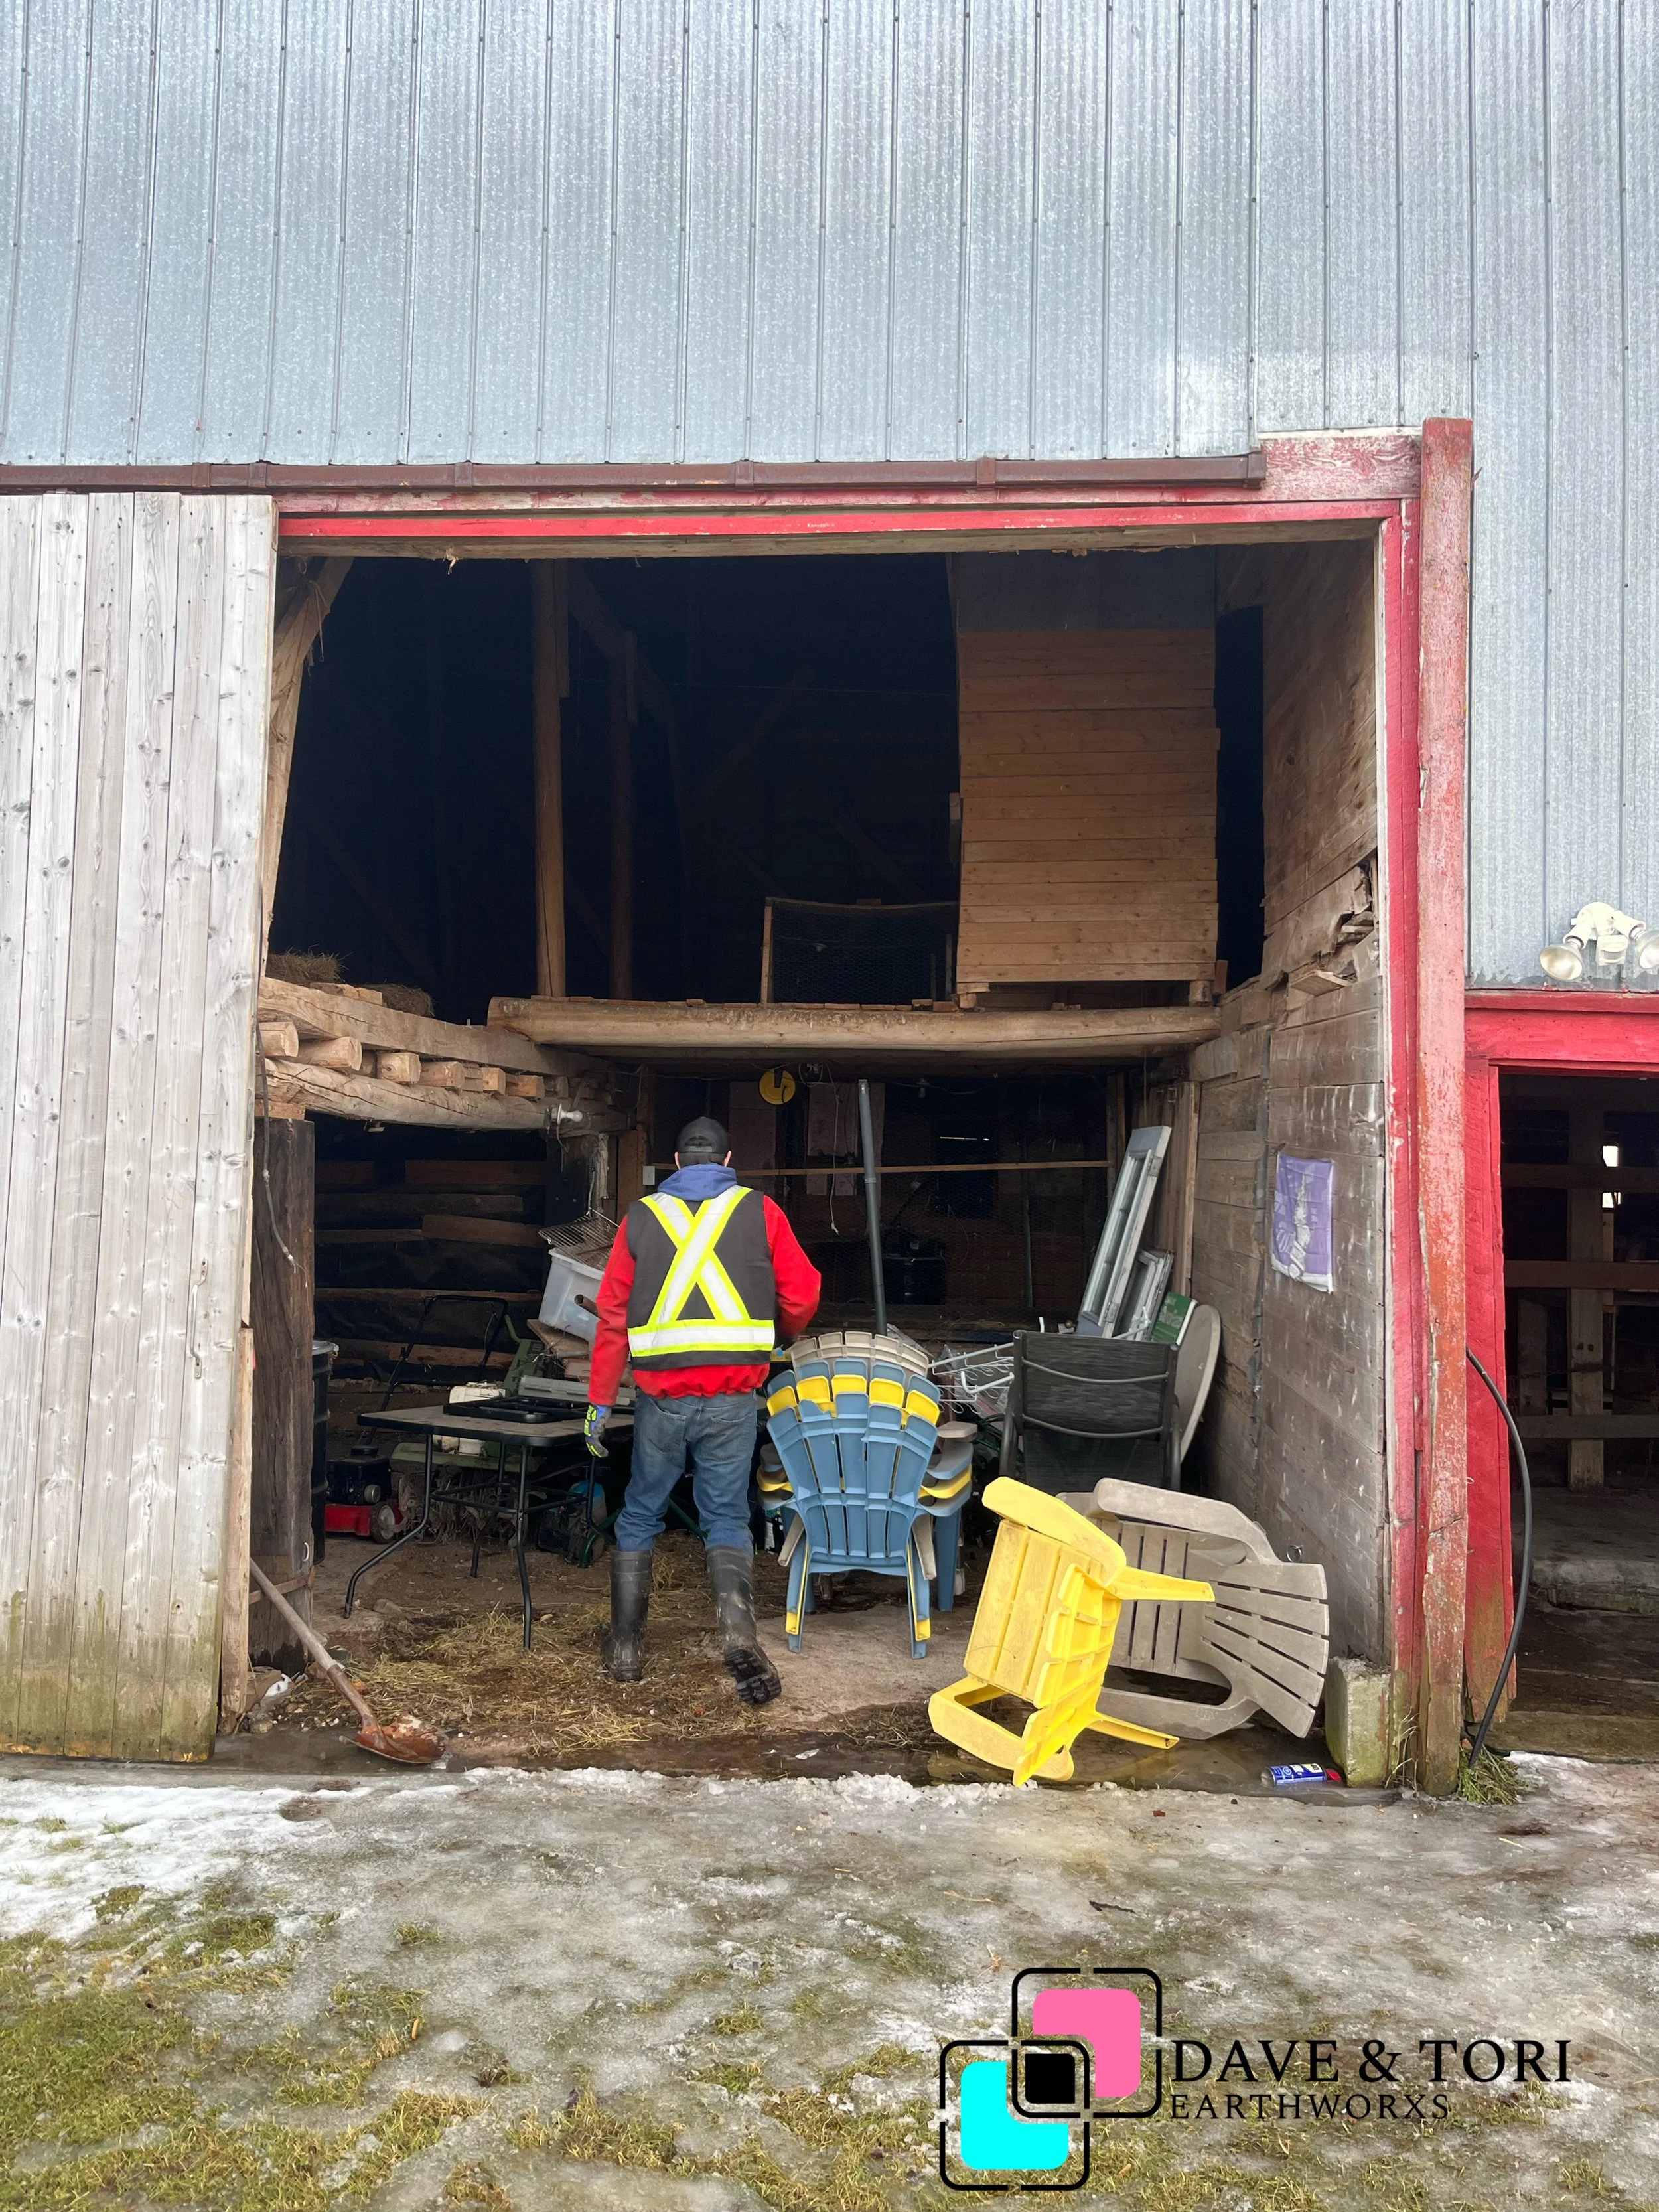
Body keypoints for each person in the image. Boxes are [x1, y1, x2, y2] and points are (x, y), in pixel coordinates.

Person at [583, 1115, 821, 1704]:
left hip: (662, 1400)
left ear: (674, 1159)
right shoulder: (761, 1211)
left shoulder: (641, 1217)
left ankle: (626, 1650)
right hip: (734, 1400)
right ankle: (738, 1635)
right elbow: (803, 1293)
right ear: (729, 1156)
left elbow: (613, 1316)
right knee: (724, 1517)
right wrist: (780, 1335)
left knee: (640, 1514)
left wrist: (597, 1401)